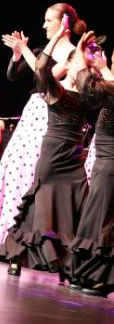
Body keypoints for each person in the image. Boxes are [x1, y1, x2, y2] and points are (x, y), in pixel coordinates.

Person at [0, 3, 83, 254]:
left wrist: (26, 51)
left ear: (63, 23)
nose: (43, 25)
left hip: (50, 115)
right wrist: (18, 55)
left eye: (48, 20)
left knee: (29, 171)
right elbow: (14, 74)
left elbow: (47, 78)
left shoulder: (74, 54)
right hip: (32, 112)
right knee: (11, 168)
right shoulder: (42, 49)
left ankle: (19, 243)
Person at [0, 15, 92, 279]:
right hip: (53, 156)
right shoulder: (56, 92)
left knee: (74, 204)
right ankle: (18, 254)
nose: (78, 69)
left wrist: (89, 57)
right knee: (41, 201)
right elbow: (40, 70)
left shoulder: (86, 95)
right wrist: (56, 38)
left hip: (73, 158)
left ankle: (70, 263)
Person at [70, 32, 114, 297]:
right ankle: (90, 272)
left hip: (111, 164)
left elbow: (86, 84)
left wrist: (80, 53)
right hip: (104, 161)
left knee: (103, 217)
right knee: (99, 215)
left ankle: (102, 276)